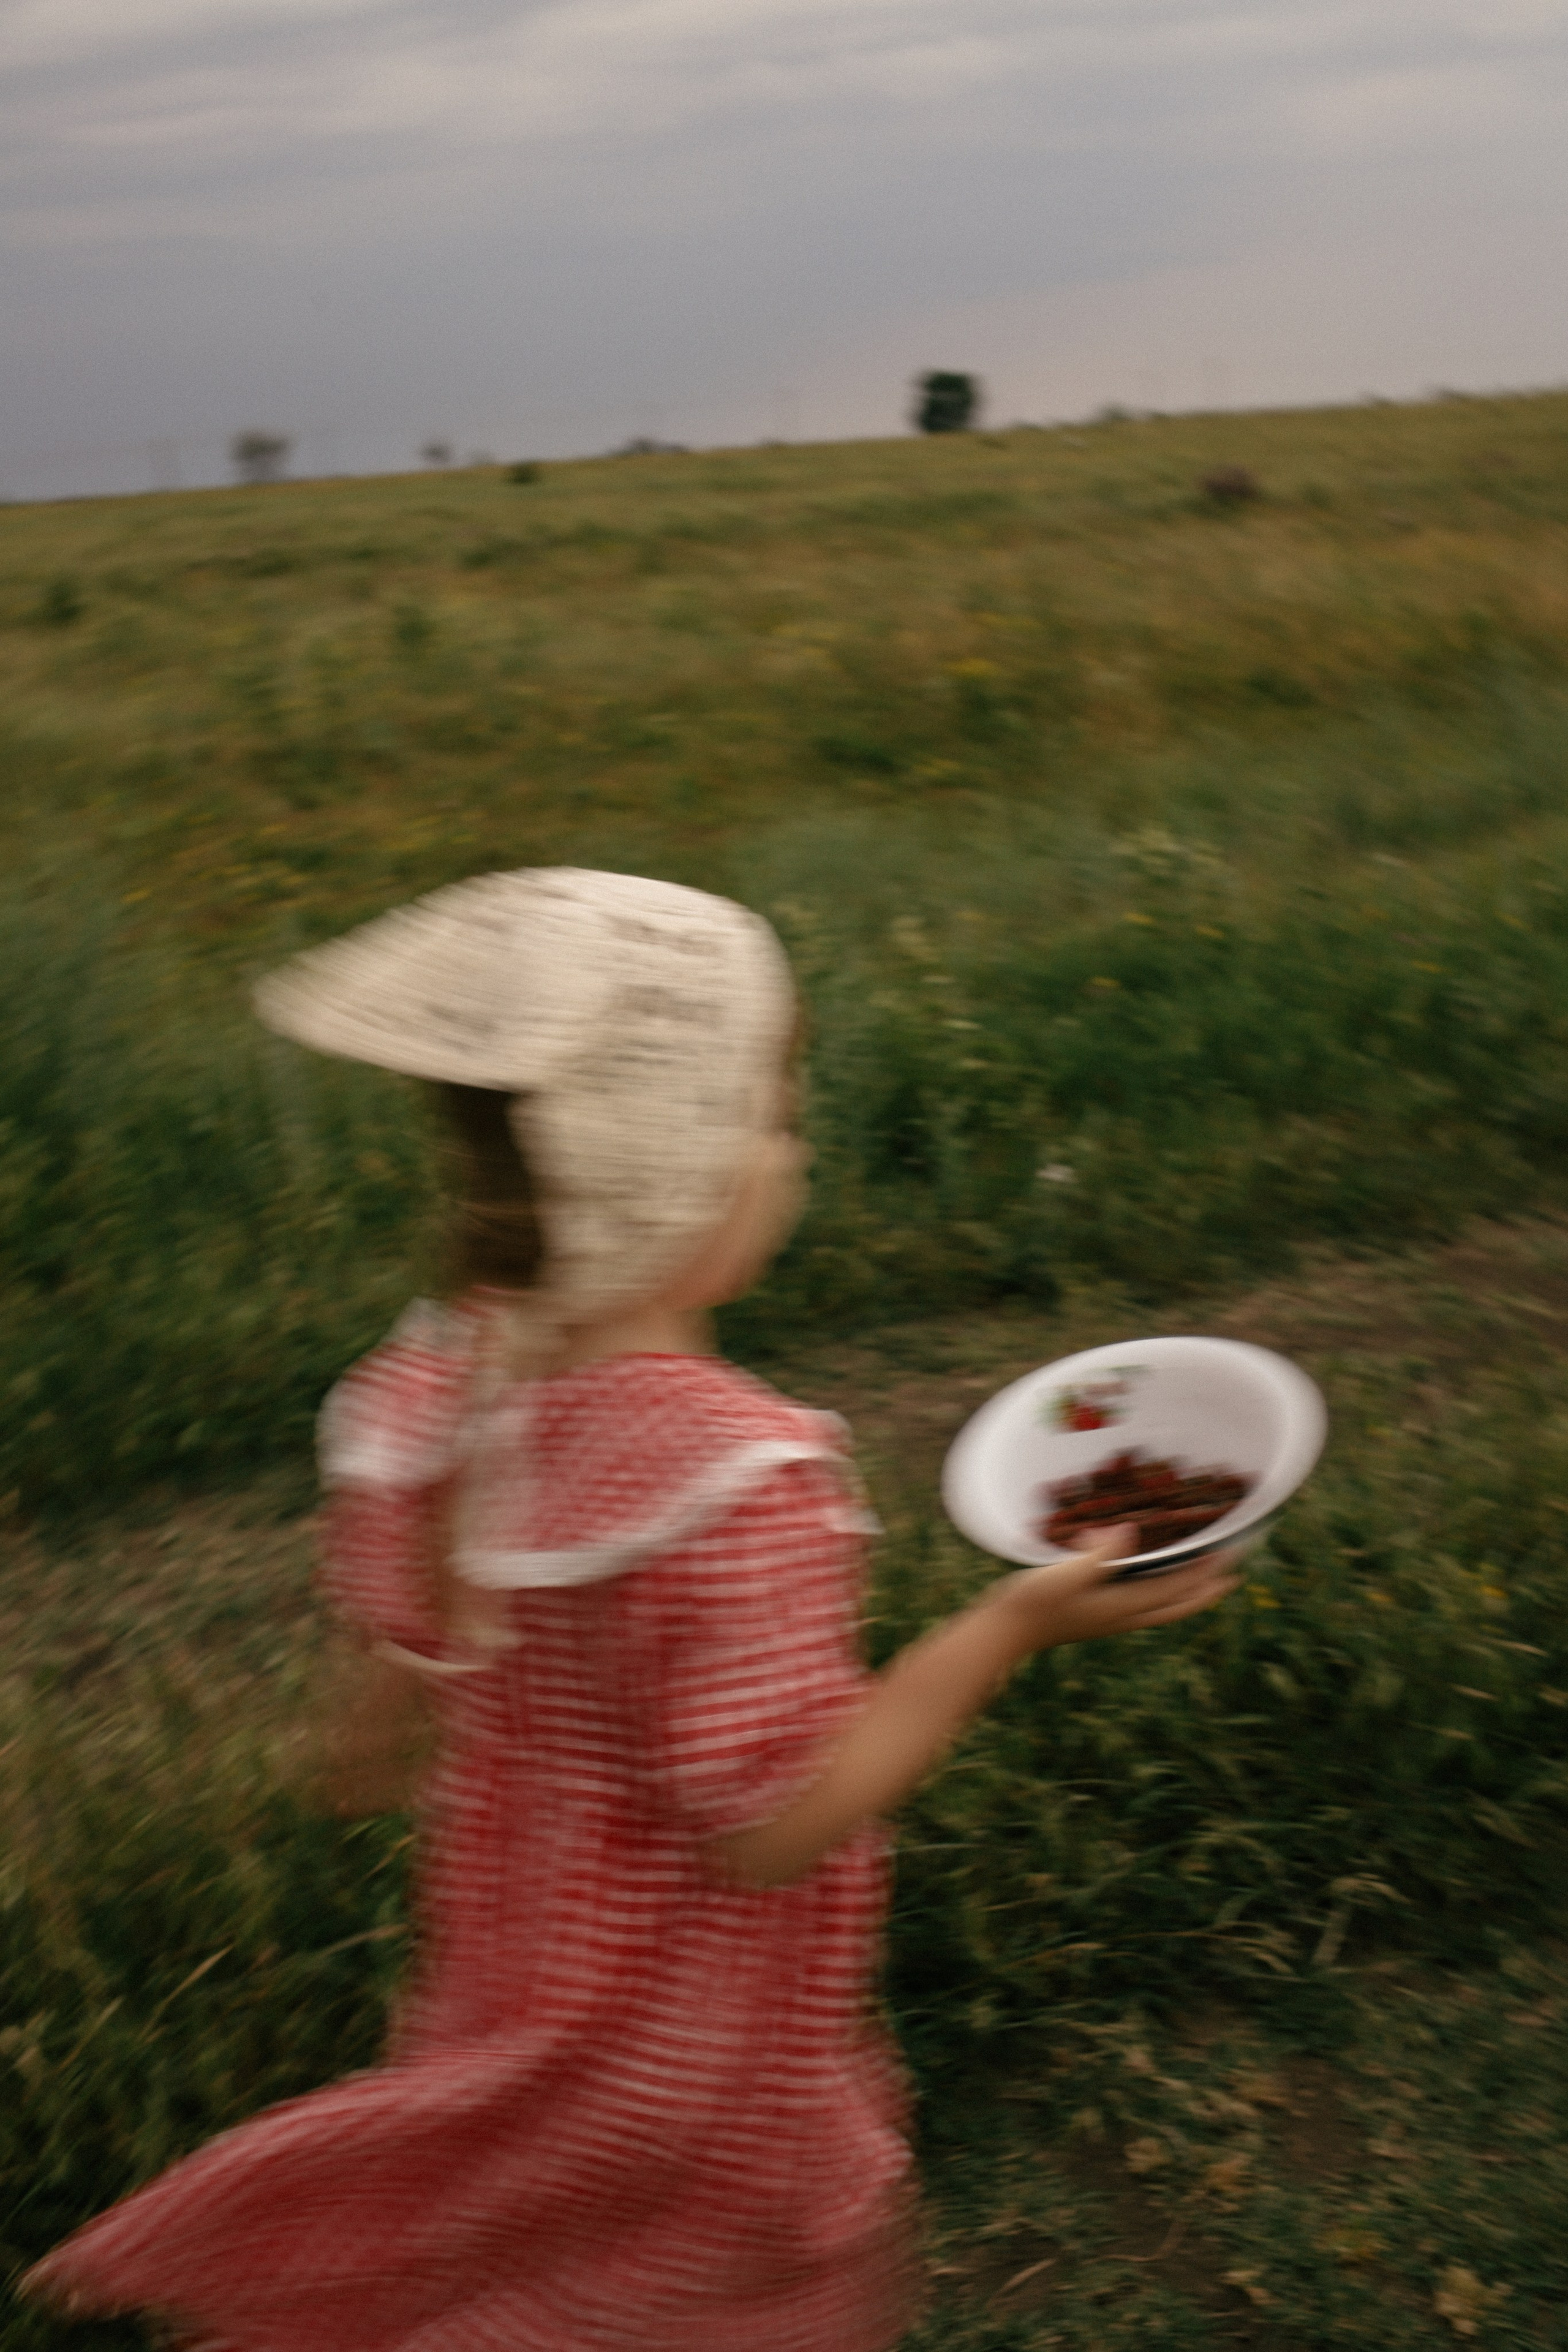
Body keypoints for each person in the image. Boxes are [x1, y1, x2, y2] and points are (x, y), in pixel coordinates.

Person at [23, 869, 1237, 2352]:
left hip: (510, 1976)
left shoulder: (428, 1386)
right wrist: (995, 1635)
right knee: (733, 2288)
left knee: (523, 2242)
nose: (791, 1153)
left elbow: (361, 1748)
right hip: (702, 2040)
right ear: (671, 1164)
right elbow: (771, 1822)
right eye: (772, 1115)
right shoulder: (736, 1481)